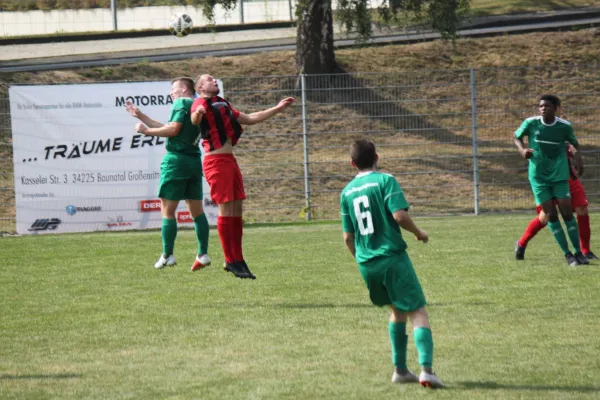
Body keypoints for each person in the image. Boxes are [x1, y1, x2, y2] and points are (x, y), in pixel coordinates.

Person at [340, 139, 445, 389]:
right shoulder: (385, 180)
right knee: (417, 310)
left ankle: (400, 370)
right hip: (390, 257)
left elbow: (347, 237)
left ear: (352, 163)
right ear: (377, 157)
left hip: (366, 262)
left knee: (397, 311)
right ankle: (427, 370)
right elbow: (399, 215)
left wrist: (364, 261)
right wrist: (419, 232)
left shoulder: (346, 192)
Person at [190, 74, 294, 280]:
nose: (214, 81)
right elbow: (194, 118)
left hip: (229, 161)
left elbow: (250, 118)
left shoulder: (222, 103)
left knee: (237, 210)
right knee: (227, 209)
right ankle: (230, 259)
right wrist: (198, 114)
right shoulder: (200, 102)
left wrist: (277, 108)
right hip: (216, 163)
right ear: (201, 87)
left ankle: (238, 259)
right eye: (209, 79)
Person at [125, 77, 211, 271]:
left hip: (176, 161)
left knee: (168, 211)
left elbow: (173, 130)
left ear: (184, 89)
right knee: (197, 212)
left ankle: (168, 255)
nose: (171, 93)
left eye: (174, 89)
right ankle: (203, 253)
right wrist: (140, 115)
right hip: (193, 160)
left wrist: (146, 132)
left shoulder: (181, 102)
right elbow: (172, 126)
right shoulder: (198, 105)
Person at [514, 94, 588, 267]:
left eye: (547, 106)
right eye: (540, 106)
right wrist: (522, 150)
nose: (542, 108)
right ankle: (568, 254)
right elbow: (516, 136)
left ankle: (580, 252)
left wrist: (577, 158)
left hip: (559, 176)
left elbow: (574, 144)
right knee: (549, 215)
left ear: (556, 108)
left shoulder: (564, 127)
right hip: (539, 177)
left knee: (568, 212)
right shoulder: (531, 123)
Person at [515, 143, 596, 260]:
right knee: (545, 216)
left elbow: (570, 142)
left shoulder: (561, 127)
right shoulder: (536, 129)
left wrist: (576, 155)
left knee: (582, 208)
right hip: (548, 179)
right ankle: (521, 243)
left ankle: (585, 251)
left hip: (568, 177)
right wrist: (523, 150)